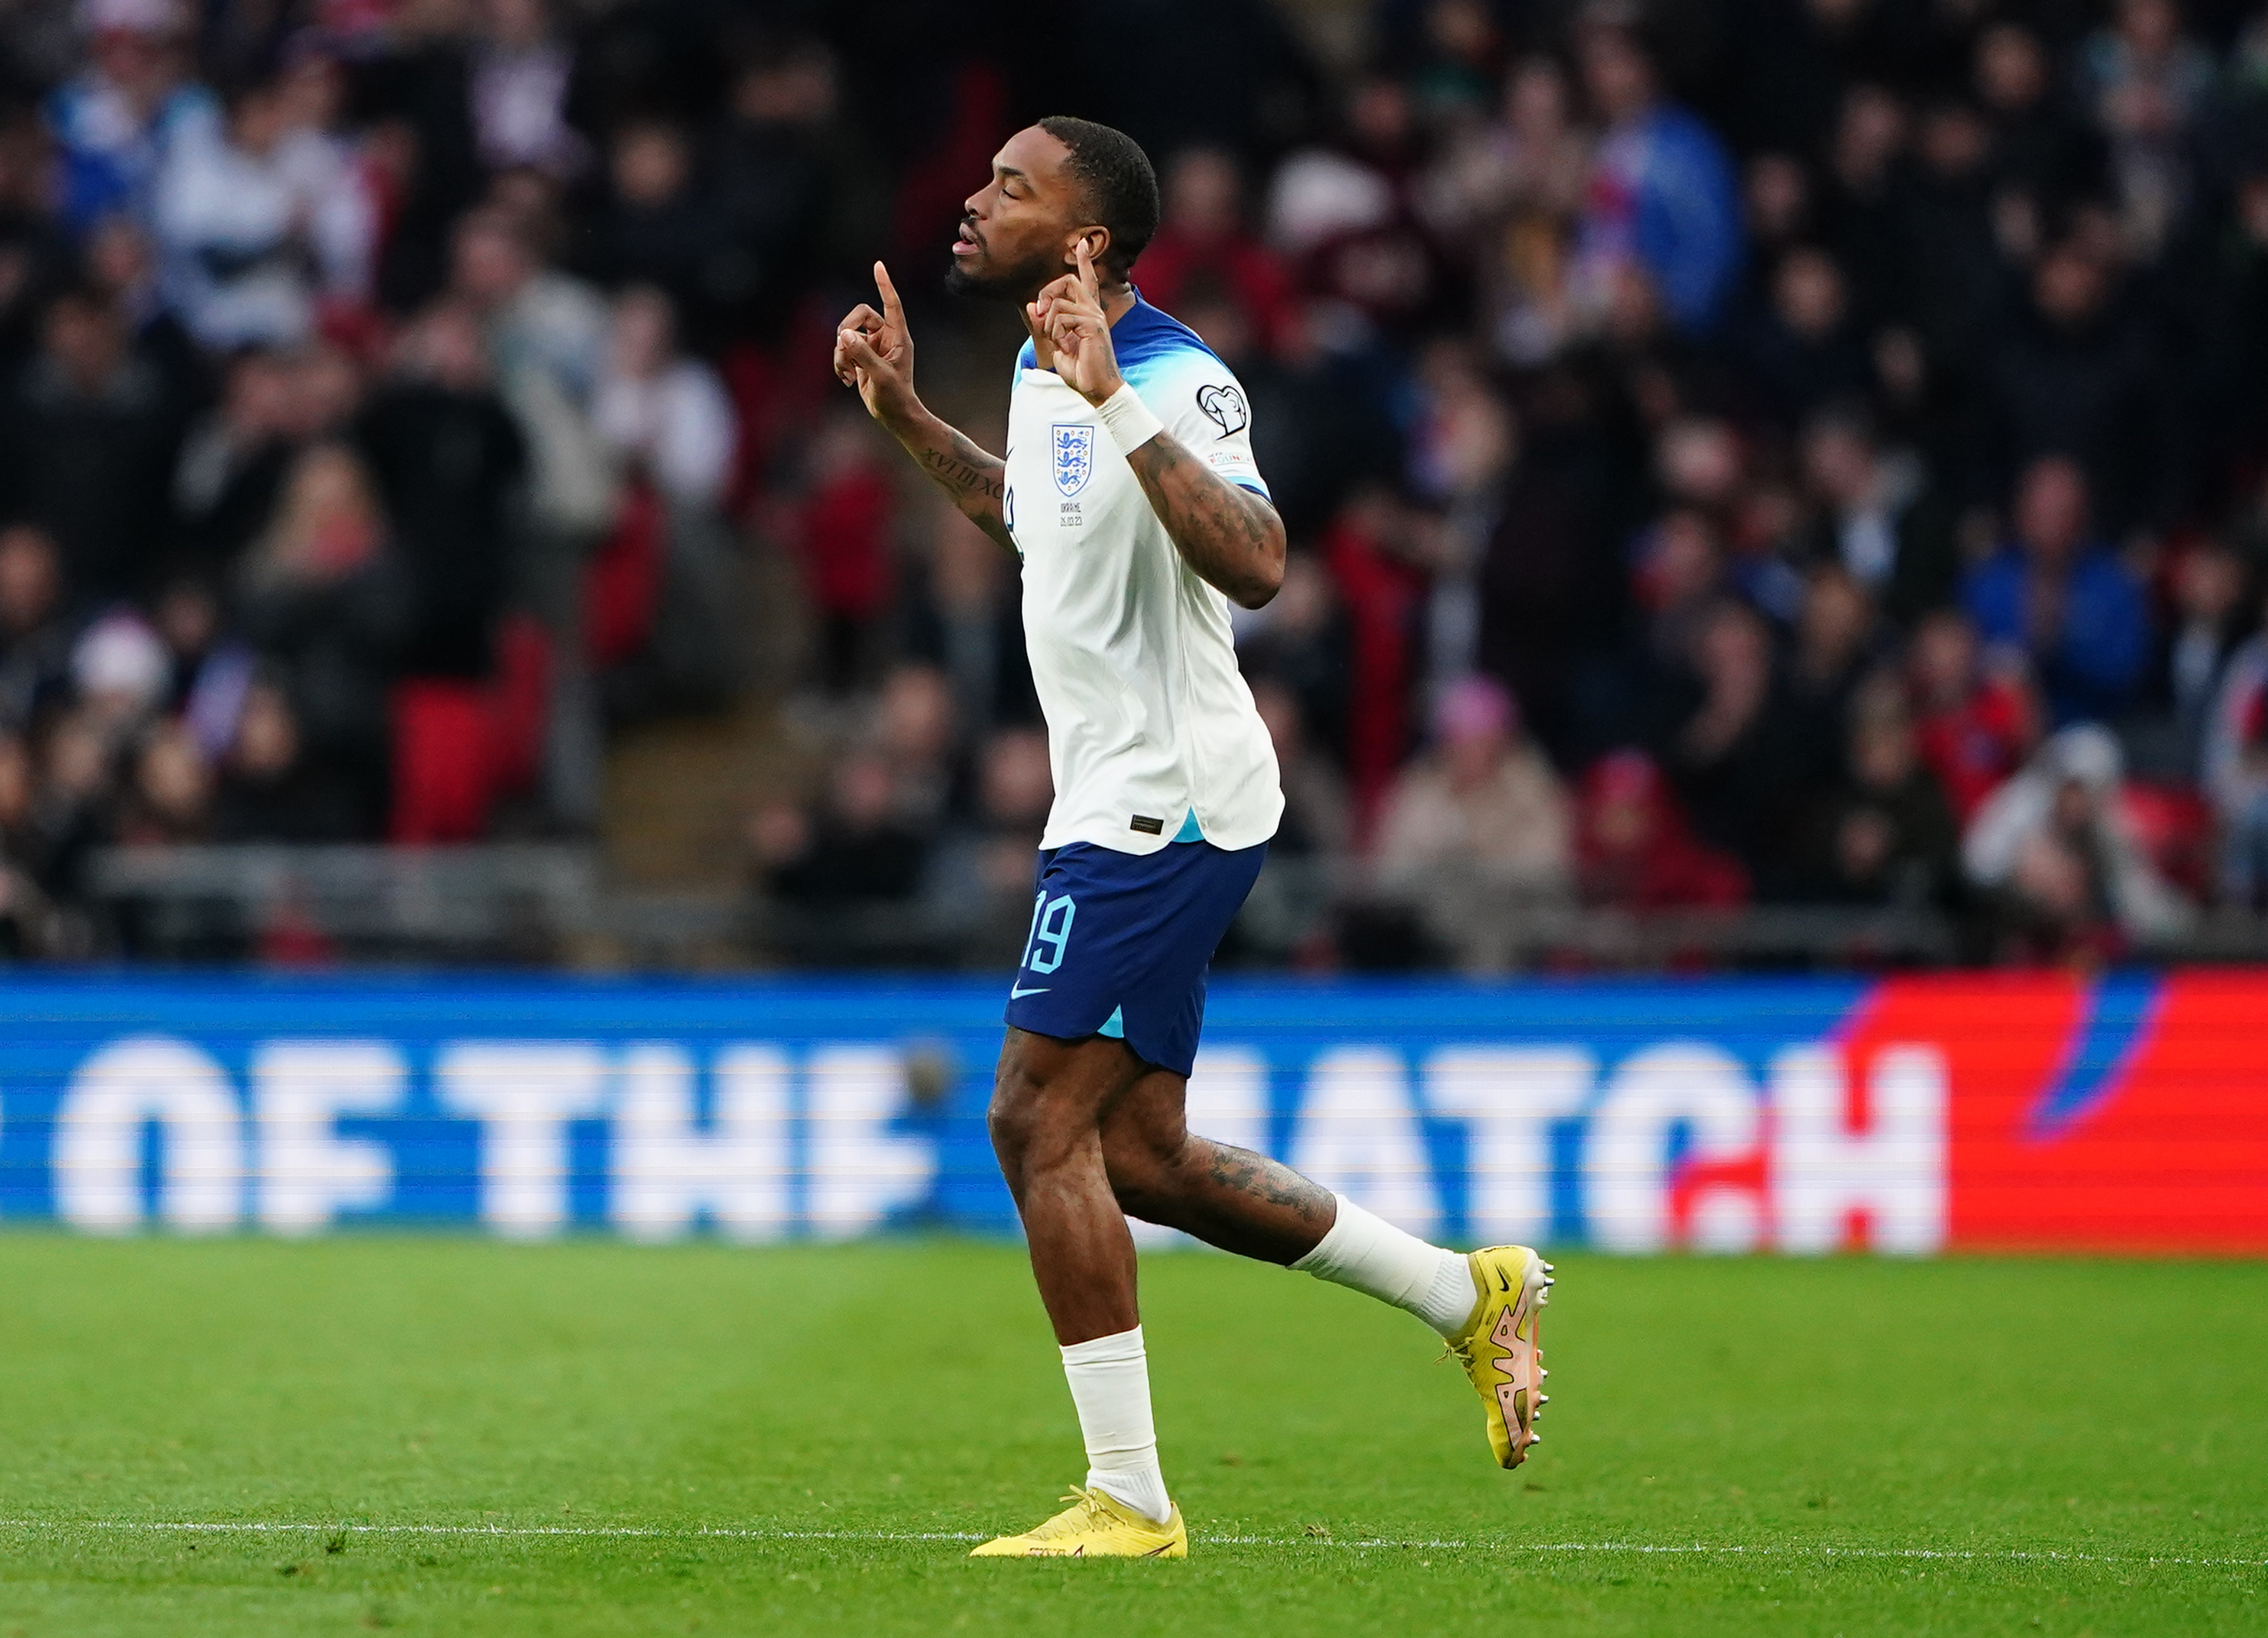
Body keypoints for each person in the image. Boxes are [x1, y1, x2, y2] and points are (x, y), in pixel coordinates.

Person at [833, 115, 1553, 1561]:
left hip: (1167, 802)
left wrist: (1124, 405)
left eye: (1011, 190)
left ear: (1087, 240)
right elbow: (1035, 525)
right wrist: (912, 417)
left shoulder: (1173, 374)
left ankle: (1132, 1499)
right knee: (1142, 1157)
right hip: (1119, 799)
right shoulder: (1046, 364)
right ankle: (1468, 1296)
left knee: (1032, 1119)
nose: (972, 203)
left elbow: (1263, 562)